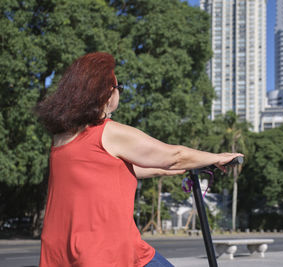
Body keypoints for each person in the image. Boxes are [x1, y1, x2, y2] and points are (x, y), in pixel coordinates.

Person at [35, 52, 243, 267]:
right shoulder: (108, 132)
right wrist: (218, 157)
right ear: (107, 92)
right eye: (119, 88)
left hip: (65, 250)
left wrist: (170, 170)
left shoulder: (62, 138)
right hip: (103, 251)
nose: (119, 94)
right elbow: (174, 156)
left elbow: (118, 168)